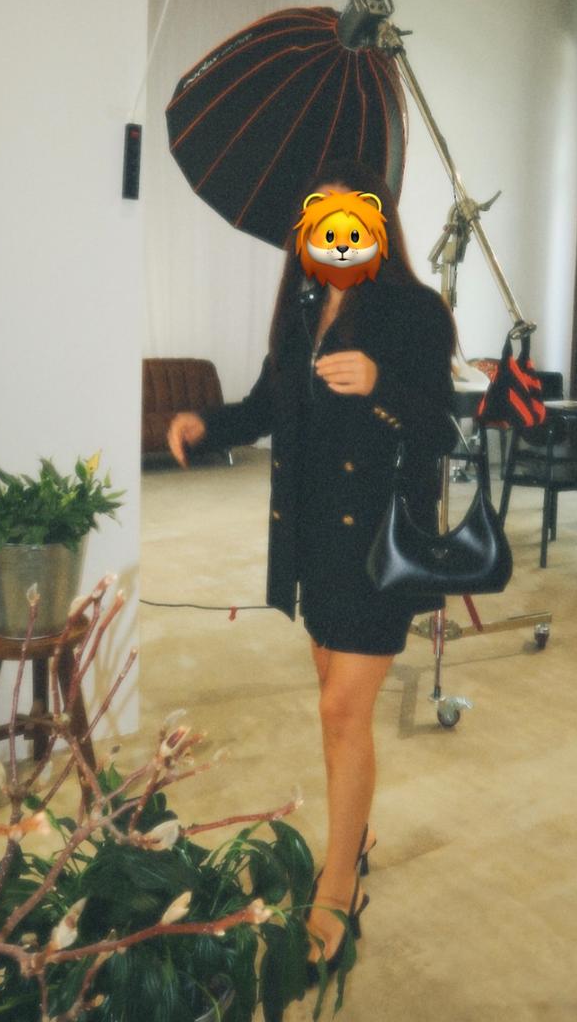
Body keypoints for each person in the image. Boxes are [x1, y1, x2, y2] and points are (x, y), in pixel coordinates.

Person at [168, 160, 457, 979]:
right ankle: (352, 838)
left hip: (377, 542)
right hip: (311, 539)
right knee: (336, 705)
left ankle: (337, 888)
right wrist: (205, 422)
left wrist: (379, 384)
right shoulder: (299, 310)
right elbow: (266, 406)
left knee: (339, 709)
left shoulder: (414, 310)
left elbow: (443, 428)